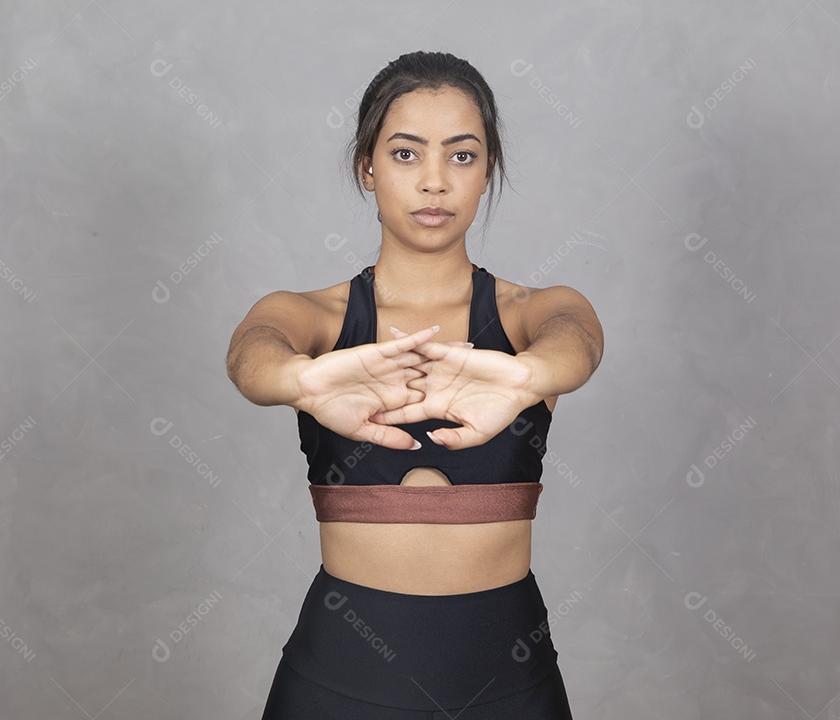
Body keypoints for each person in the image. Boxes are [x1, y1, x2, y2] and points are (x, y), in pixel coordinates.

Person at [226, 50, 603, 720]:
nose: (434, 181)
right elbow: (251, 354)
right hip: (339, 679)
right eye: (406, 154)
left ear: (487, 172)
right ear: (367, 168)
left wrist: (525, 376)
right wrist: (304, 383)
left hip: (507, 679)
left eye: (461, 156)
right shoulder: (316, 316)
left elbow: (578, 338)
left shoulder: (526, 314)